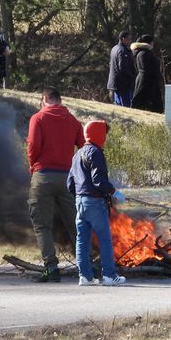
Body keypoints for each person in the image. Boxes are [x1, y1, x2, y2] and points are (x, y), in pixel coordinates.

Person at [27, 87, 85, 283]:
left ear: (44, 99)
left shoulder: (38, 118)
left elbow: (33, 146)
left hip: (42, 175)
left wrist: (32, 165)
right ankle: (88, 265)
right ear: (60, 100)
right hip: (68, 177)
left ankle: (51, 268)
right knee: (75, 223)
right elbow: (84, 147)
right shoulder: (73, 120)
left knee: (42, 225)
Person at [68, 119, 127, 286]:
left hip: (80, 202)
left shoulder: (77, 154)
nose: (106, 138)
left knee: (82, 240)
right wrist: (114, 192)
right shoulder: (96, 153)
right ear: (99, 135)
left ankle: (85, 277)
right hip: (94, 202)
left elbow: (69, 183)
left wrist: (80, 196)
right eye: (105, 134)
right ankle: (109, 276)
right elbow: (98, 181)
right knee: (105, 239)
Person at [131, 34, 163, 112]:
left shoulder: (142, 52)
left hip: (145, 80)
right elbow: (146, 69)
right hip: (147, 81)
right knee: (144, 101)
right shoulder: (144, 53)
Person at [107, 30, 135, 106]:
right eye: (128, 39)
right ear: (123, 39)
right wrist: (132, 76)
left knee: (118, 105)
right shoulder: (123, 51)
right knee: (125, 106)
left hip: (115, 83)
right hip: (123, 84)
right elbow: (123, 67)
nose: (130, 41)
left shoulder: (114, 48)